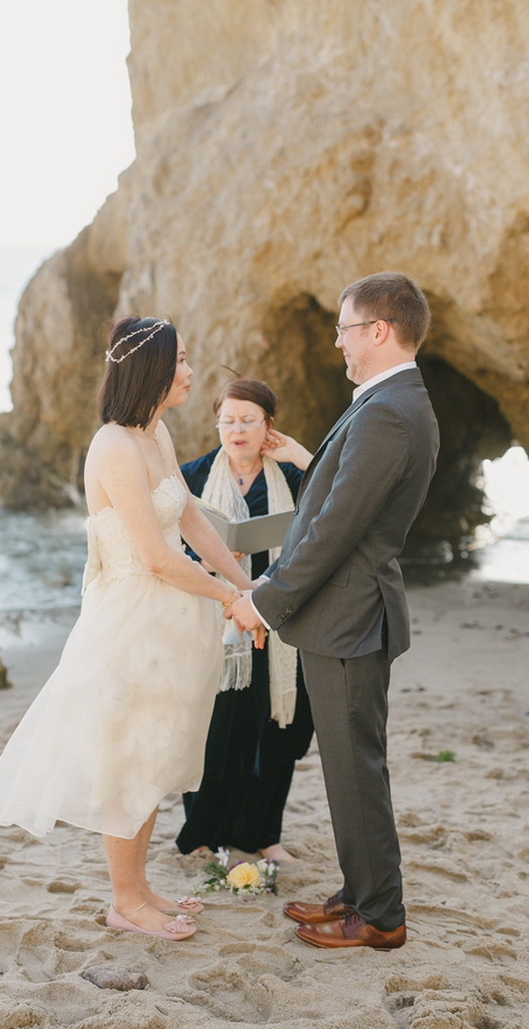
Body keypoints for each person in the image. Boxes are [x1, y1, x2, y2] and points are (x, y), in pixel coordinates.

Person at [0, 316, 258, 942]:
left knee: (154, 756)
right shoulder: (112, 446)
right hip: (131, 619)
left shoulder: (153, 433)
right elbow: (155, 557)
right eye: (181, 360)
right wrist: (227, 599)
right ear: (152, 369)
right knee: (127, 760)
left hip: (172, 619)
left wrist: (245, 586)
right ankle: (125, 900)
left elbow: (189, 520)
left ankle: (141, 890)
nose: (190, 372)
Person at [226, 273, 440, 950]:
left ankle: (379, 916)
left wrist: (263, 601)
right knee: (351, 764)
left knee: (355, 768)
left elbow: (334, 531)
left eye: (346, 329)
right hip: (347, 613)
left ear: (379, 331)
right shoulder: (388, 402)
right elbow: (342, 497)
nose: (339, 343)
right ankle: (359, 892)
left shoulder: (387, 411)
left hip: (349, 616)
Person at [175, 378, 315, 863]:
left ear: (268, 426)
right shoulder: (191, 477)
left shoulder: (294, 480)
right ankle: (203, 834)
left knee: (279, 730)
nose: (237, 430)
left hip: (279, 621)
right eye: (228, 420)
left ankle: (262, 836)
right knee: (215, 730)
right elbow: (163, 545)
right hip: (216, 620)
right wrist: (213, 559)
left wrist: (298, 455)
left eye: (249, 420)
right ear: (217, 423)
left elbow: (341, 503)